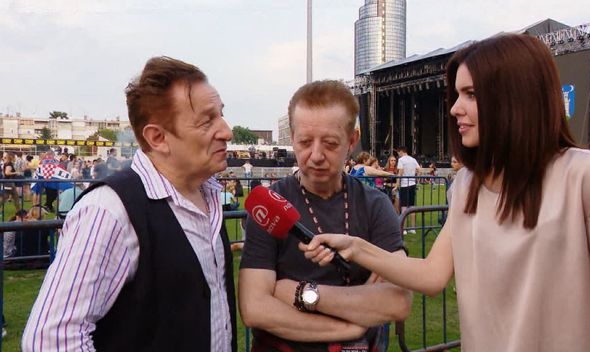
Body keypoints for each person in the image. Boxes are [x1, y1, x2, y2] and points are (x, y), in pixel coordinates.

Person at [301, 34, 590, 352]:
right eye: (456, 95)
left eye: (470, 94)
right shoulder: (468, 184)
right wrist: (355, 247)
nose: (455, 108)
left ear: (515, 96)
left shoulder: (586, 178)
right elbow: (432, 274)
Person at [23, 56, 237, 351]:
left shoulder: (209, 196)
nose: (227, 131)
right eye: (207, 121)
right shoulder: (108, 211)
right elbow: (51, 340)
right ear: (158, 137)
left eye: (221, 115)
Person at [239, 80, 411, 352]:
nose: (316, 155)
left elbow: (398, 301)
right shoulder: (270, 206)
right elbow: (255, 309)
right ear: (293, 137)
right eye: (305, 142)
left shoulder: (375, 205)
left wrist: (299, 293)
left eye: (330, 143)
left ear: (352, 141)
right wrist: (351, 326)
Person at [396, 146, 421, 230]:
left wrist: (397, 184)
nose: (398, 155)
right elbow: (419, 170)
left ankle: (404, 228)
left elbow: (400, 172)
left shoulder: (401, 160)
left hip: (404, 185)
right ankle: (413, 228)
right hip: (412, 184)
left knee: (404, 207)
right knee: (411, 206)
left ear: (401, 152)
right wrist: (415, 178)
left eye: (398, 153)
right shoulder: (413, 159)